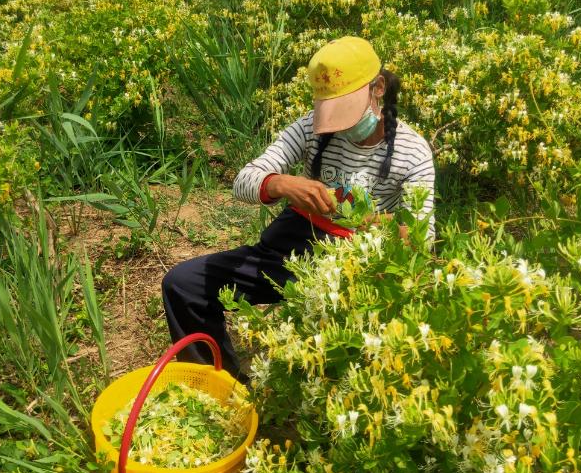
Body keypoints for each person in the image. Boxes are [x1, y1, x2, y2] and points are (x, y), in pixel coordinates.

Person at [162, 36, 435, 381]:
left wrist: (367, 221)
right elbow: (244, 180)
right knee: (183, 284)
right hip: (294, 249)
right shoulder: (310, 129)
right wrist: (282, 184)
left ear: (378, 88)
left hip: (360, 266)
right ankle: (220, 387)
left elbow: (422, 238)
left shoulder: (412, 152)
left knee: (339, 356)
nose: (341, 125)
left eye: (347, 110)